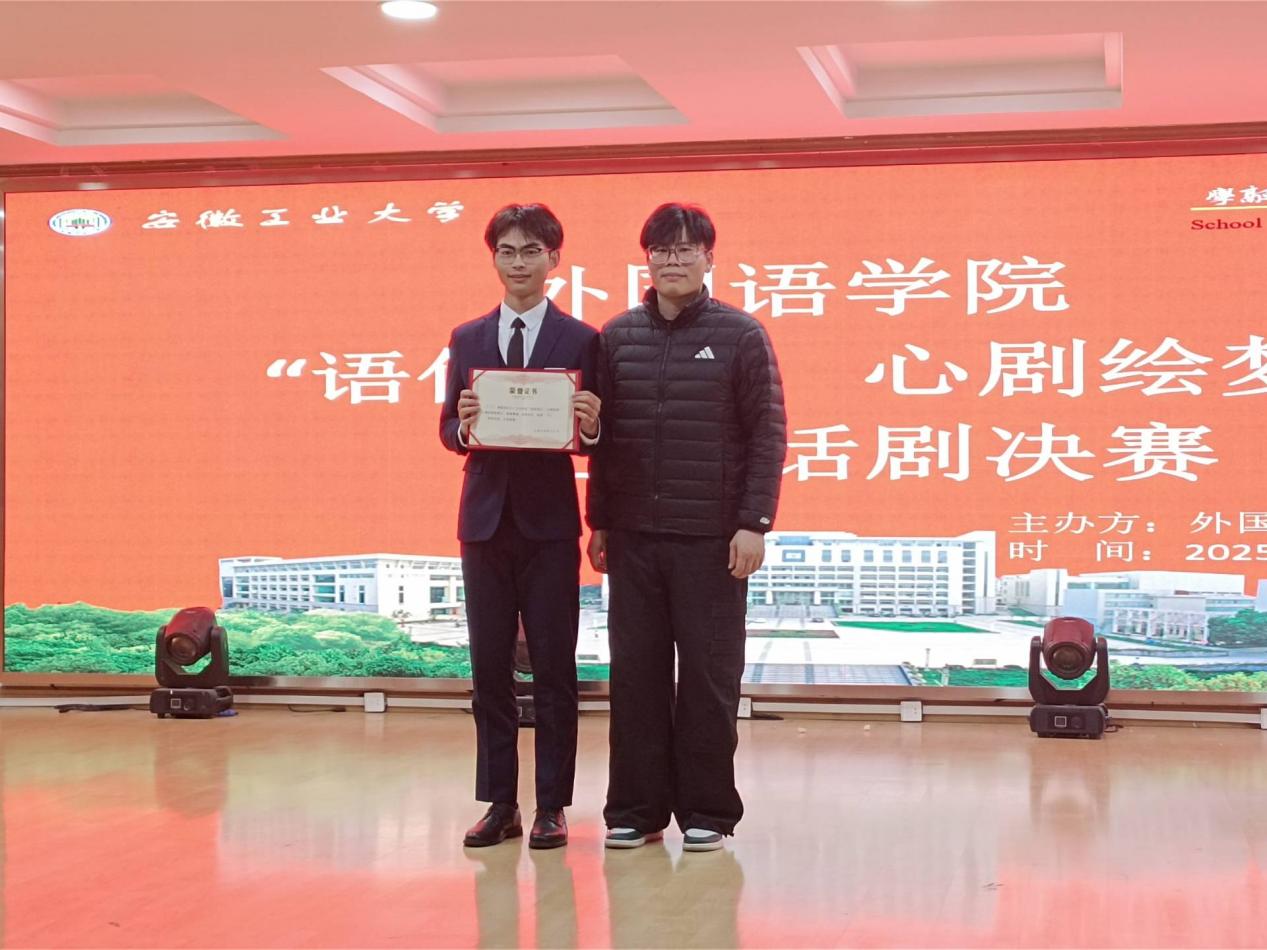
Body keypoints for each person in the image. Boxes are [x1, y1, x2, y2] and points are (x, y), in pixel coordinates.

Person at [587, 202, 787, 852]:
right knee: (635, 677)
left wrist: (754, 522)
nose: (672, 260)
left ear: (708, 257)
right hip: (634, 537)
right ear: (646, 259)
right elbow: (604, 441)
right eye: (661, 250)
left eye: (685, 249)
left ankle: (707, 811)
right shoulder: (616, 337)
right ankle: (634, 810)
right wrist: (599, 521)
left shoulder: (741, 335)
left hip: (711, 539)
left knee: (707, 678)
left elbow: (766, 435)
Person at [440, 203, 601, 849]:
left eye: (531, 250)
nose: (518, 263)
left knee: (555, 669)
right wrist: (464, 424)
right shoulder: (467, 338)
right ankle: (500, 803)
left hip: (550, 526)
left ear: (554, 259)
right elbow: (448, 430)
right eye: (506, 251)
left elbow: (596, 437)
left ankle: (552, 805)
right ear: (494, 259)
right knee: (489, 669)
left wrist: (591, 424)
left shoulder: (582, 339)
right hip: (483, 523)